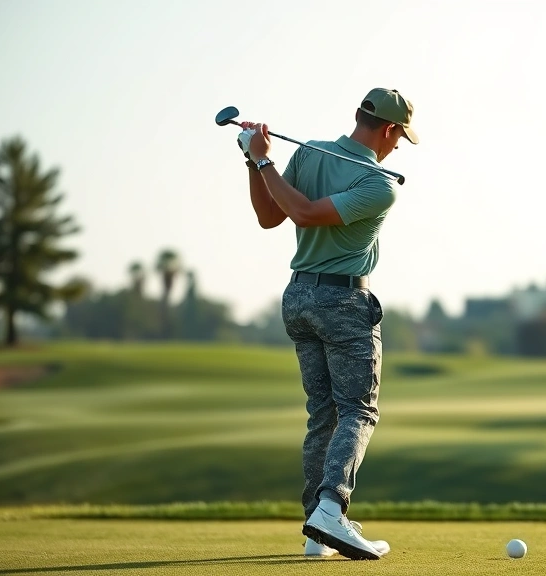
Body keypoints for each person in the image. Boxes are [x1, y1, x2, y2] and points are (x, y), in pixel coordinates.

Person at [236, 88, 418, 561]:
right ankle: (331, 510)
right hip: (342, 299)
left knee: (325, 413)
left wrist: (259, 163)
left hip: (299, 297)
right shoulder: (381, 184)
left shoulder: (307, 156)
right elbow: (297, 215)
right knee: (358, 410)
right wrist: (259, 163)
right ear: (389, 130)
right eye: (400, 138)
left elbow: (269, 214)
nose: (397, 148)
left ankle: (317, 534)